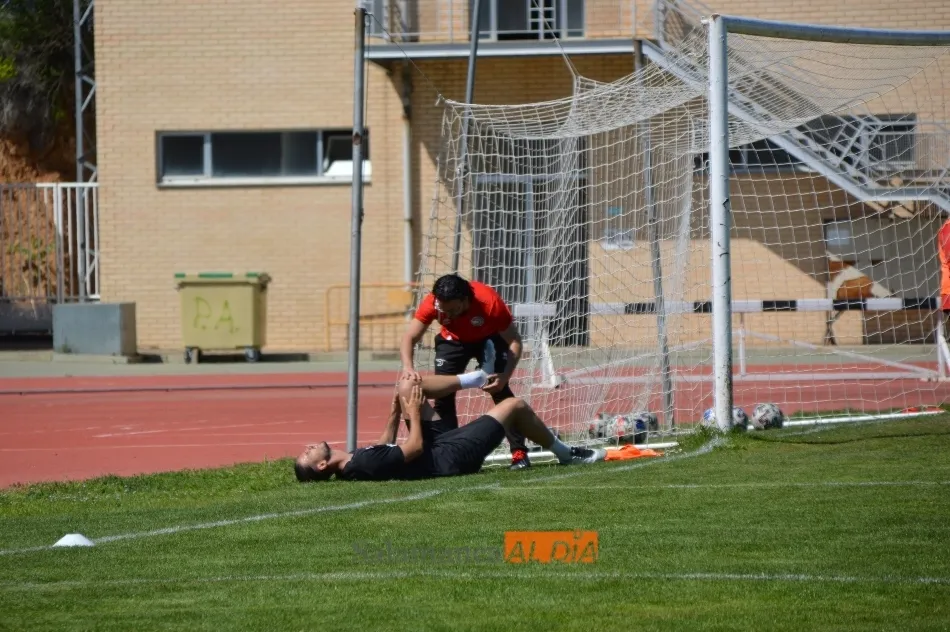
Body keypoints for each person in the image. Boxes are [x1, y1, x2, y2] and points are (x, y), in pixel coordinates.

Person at [294, 374, 605, 483]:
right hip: (449, 458)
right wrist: (413, 413)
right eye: (307, 455)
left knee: (406, 386)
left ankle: (475, 378)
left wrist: (395, 410)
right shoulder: (361, 463)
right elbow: (412, 448)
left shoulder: (356, 460)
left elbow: (385, 444)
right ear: (322, 465)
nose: (307, 447)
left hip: (436, 449)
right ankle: (566, 454)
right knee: (515, 406)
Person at [400, 273, 533, 471]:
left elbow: (514, 341)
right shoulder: (433, 303)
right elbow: (410, 337)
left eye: (452, 310)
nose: (448, 315)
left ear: (465, 300)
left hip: (488, 340)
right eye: (444, 311)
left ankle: (519, 453)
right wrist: (408, 367)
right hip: (452, 341)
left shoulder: (490, 303)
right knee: (442, 395)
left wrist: (505, 376)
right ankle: (450, 453)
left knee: (500, 392)